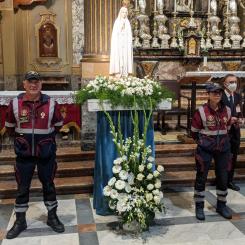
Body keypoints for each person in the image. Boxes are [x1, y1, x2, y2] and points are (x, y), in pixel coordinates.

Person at [4, 71, 65, 239]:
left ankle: (52, 218)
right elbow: (9, 126)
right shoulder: (15, 103)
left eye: (36, 82)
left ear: (41, 84)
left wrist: (44, 139)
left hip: (46, 153)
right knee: (22, 188)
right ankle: (20, 221)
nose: (33, 85)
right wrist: (23, 141)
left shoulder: (51, 103)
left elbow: (59, 124)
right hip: (24, 155)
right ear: (24, 84)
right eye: (30, 82)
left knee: (49, 185)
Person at [191, 82, 232, 221]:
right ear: (208, 94)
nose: (217, 94)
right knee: (201, 177)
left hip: (223, 148)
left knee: (223, 177)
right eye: (214, 92)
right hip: (205, 149)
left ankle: (221, 205)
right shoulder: (201, 111)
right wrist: (204, 142)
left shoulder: (227, 109)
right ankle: (199, 206)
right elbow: (194, 132)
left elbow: (227, 128)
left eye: (219, 92)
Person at [221, 74, 243, 191]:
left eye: (235, 81)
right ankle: (221, 180)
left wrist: (241, 119)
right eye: (231, 82)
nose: (233, 84)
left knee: (233, 156)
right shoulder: (220, 96)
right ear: (225, 84)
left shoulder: (238, 96)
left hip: (235, 131)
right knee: (223, 157)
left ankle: (230, 180)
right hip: (223, 132)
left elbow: (240, 111)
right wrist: (229, 120)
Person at [109, 6, 133, 78]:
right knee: (119, 57)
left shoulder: (128, 22)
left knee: (125, 57)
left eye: (126, 12)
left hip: (125, 44)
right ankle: (118, 72)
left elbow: (129, 34)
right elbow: (115, 34)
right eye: (123, 12)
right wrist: (120, 29)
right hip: (119, 44)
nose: (124, 14)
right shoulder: (117, 22)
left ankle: (125, 73)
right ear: (120, 13)